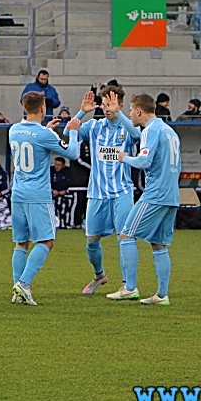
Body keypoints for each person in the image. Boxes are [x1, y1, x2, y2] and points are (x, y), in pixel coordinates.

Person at [9, 91, 80, 306]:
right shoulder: (44, 135)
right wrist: (74, 133)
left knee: (21, 242)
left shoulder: (13, 130)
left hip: (18, 192)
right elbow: (72, 154)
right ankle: (24, 283)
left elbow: (32, 140)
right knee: (47, 240)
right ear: (43, 109)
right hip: (37, 195)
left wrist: (46, 131)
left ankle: (17, 291)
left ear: (23, 108)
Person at [111, 93, 180, 306]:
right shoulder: (170, 131)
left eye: (131, 110)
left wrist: (124, 158)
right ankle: (161, 295)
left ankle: (129, 288)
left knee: (126, 235)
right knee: (159, 244)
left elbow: (144, 161)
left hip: (156, 194)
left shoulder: (150, 130)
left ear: (139, 111)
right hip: (172, 195)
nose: (130, 114)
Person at [73, 85, 142, 296]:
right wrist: (82, 112)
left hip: (122, 191)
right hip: (97, 193)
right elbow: (70, 131)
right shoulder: (94, 126)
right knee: (91, 242)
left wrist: (120, 115)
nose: (107, 108)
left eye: (111, 104)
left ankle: (126, 285)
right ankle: (99, 275)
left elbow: (137, 134)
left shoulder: (126, 128)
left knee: (125, 238)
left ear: (121, 105)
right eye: (104, 105)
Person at [50, 157, 76, 229]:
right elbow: (46, 183)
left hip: (66, 194)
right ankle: (54, 224)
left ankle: (65, 224)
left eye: (59, 165)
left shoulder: (69, 172)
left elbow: (72, 184)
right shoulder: (50, 170)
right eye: (55, 164)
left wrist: (65, 191)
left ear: (63, 165)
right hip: (53, 194)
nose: (56, 166)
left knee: (65, 203)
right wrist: (52, 190)